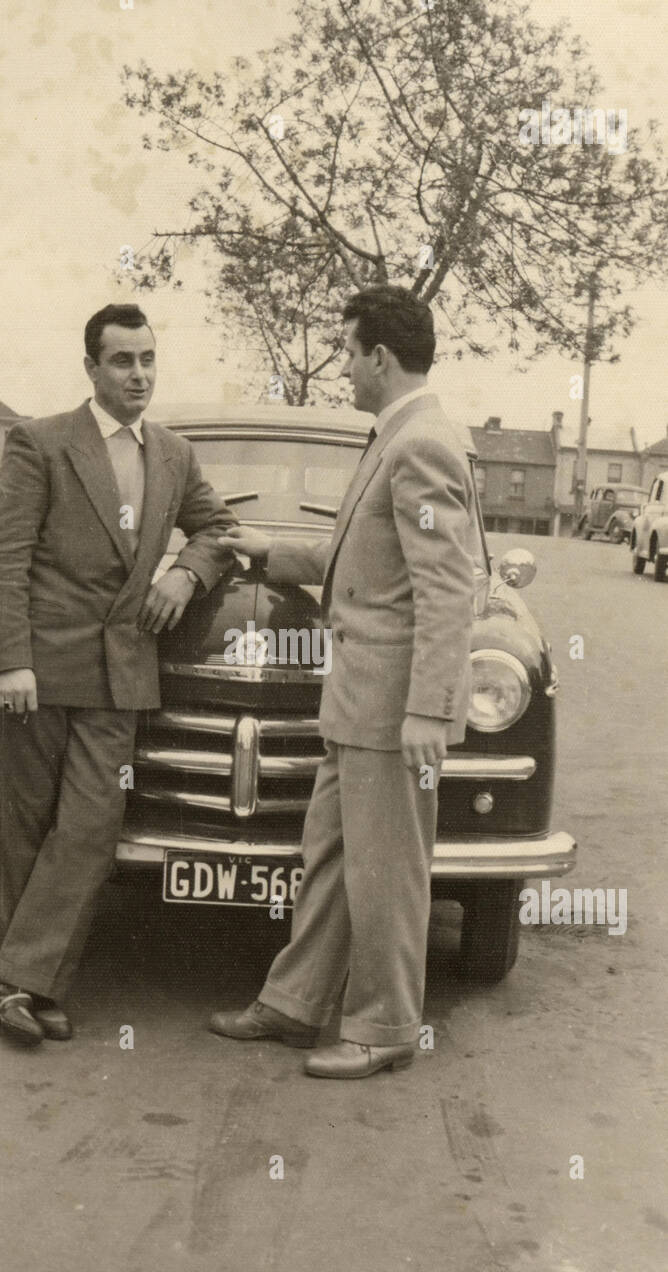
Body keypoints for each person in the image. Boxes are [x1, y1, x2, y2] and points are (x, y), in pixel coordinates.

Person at [209, 285, 476, 1079]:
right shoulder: (394, 436)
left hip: (393, 710)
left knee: (387, 871)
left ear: (381, 358)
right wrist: (267, 550)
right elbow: (359, 561)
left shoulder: (421, 443)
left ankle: (386, 1025)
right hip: (357, 704)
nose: (345, 368)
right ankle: (294, 1002)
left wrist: (430, 710)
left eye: (349, 351)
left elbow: (448, 587)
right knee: (329, 857)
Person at [0, 303, 236, 1045]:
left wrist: (186, 572)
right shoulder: (42, 442)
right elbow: (2, 561)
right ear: (91, 368)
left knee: (90, 828)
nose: (139, 374)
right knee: (19, 830)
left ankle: (14, 984)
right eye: (123, 361)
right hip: (40, 669)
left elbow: (219, 529)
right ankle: (22, 985)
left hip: (121, 677)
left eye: (148, 359)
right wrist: (12, 660)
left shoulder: (175, 455)